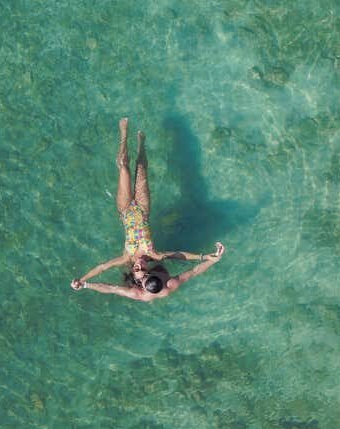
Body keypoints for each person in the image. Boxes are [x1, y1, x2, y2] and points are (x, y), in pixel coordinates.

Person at [70, 118, 226, 301]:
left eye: (137, 269)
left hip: (125, 209)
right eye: (143, 268)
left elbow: (104, 270)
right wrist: (204, 256)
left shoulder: (126, 257)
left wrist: (84, 281)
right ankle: (141, 145)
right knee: (141, 168)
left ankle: (123, 134)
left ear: (133, 272)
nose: (139, 265)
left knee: (123, 168)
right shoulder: (155, 254)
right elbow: (179, 255)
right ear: (148, 270)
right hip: (143, 210)